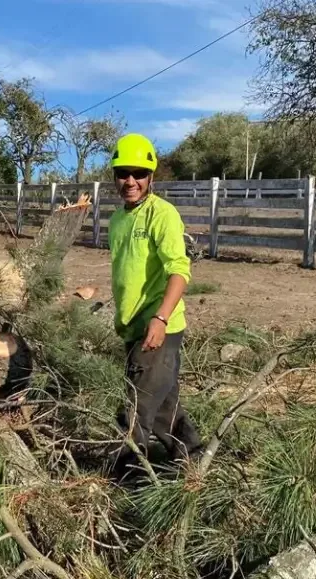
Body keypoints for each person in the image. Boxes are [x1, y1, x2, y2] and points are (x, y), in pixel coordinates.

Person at [106, 133, 202, 475]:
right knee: (164, 405)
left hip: (159, 325)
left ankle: (124, 480)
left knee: (135, 408)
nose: (130, 181)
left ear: (151, 178)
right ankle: (192, 459)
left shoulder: (162, 215)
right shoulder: (118, 219)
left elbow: (179, 270)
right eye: (123, 173)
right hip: (133, 326)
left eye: (138, 174)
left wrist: (160, 318)